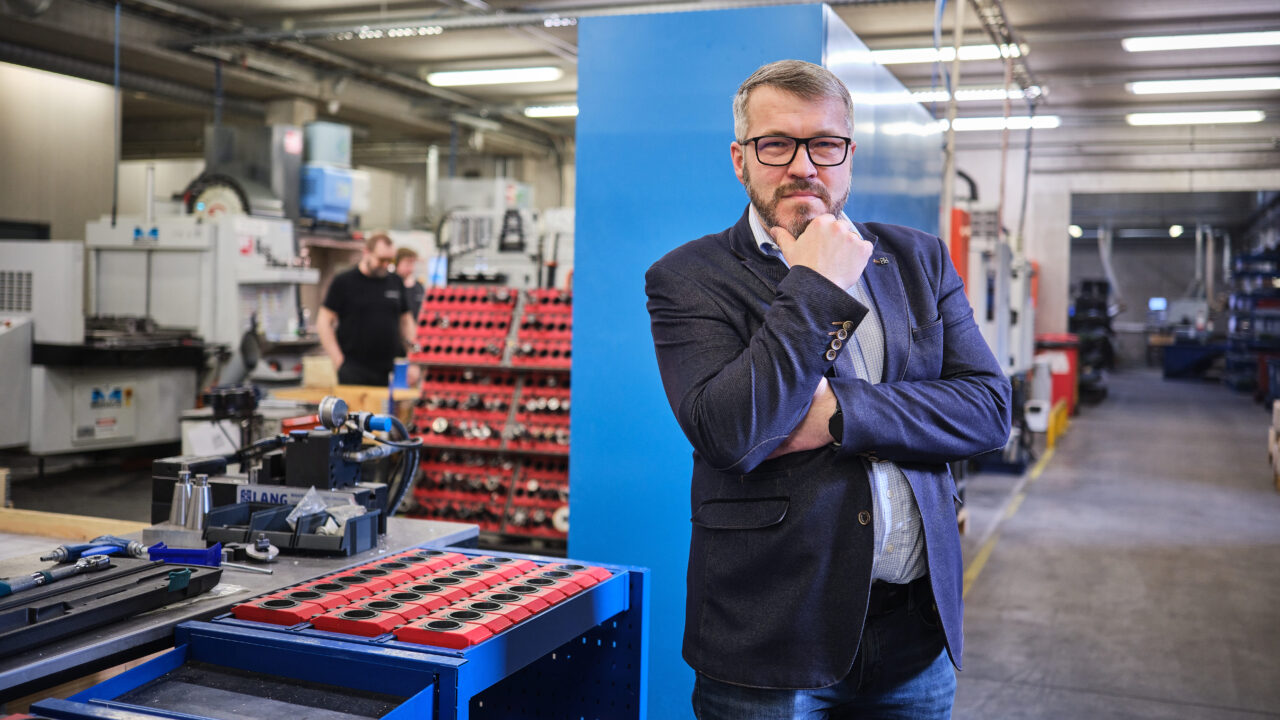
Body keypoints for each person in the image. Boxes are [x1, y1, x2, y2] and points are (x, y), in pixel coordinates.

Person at [645, 60, 1011, 719]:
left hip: (914, 638)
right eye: (776, 143)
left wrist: (840, 412)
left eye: (825, 144)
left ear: (848, 154)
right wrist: (817, 286)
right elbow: (732, 433)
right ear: (741, 158)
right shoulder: (688, 278)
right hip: (770, 642)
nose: (803, 165)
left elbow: (987, 410)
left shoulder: (919, 260)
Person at [317, 232, 416, 386]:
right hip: (354, 370)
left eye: (390, 260)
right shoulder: (344, 282)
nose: (386, 265)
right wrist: (338, 360)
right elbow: (324, 322)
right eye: (381, 259)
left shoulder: (395, 282)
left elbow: (406, 322)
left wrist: (413, 359)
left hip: (390, 370)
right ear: (366, 253)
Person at [395, 246, 426, 318]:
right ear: (397, 264)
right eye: (407, 264)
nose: (411, 269)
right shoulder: (391, 286)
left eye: (412, 264)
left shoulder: (418, 287)